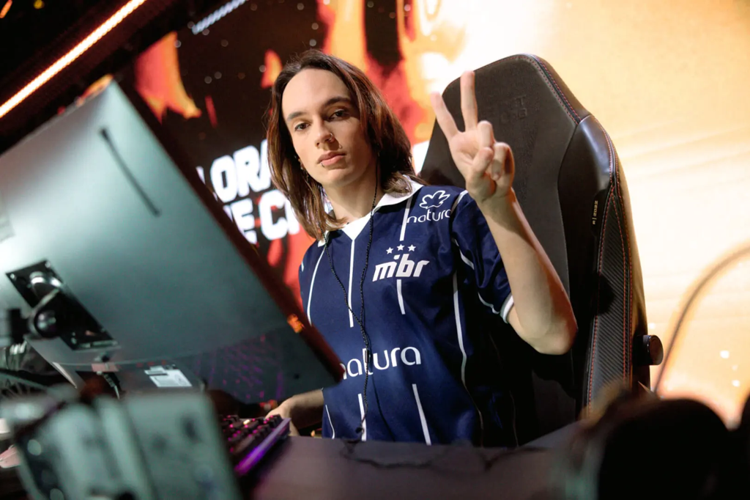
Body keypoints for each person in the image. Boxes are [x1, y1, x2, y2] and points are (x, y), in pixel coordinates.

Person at [265, 50, 577, 447]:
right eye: (302, 125)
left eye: (338, 113)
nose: (321, 135)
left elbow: (552, 335)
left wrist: (500, 204)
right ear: (293, 150)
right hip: (350, 474)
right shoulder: (313, 262)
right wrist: (302, 405)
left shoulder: (449, 213)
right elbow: (367, 373)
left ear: (371, 121)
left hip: (461, 470)